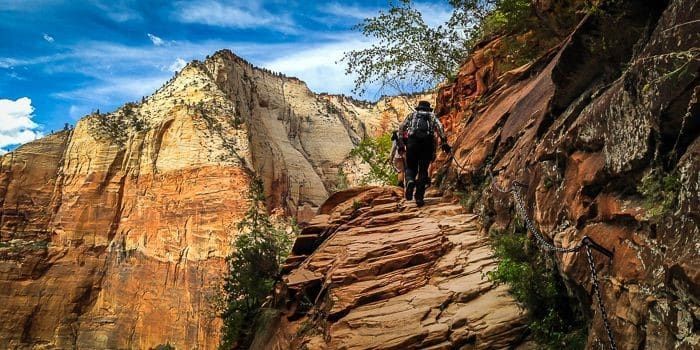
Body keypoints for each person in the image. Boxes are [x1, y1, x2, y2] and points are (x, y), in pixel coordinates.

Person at [397, 101, 450, 207]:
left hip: (412, 142)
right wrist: (444, 142)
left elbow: (401, 128)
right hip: (427, 143)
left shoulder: (412, 115)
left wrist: (401, 144)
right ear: (428, 109)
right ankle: (419, 197)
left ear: (418, 108)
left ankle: (410, 181)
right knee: (423, 170)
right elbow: (440, 127)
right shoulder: (432, 116)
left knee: (410, 167)